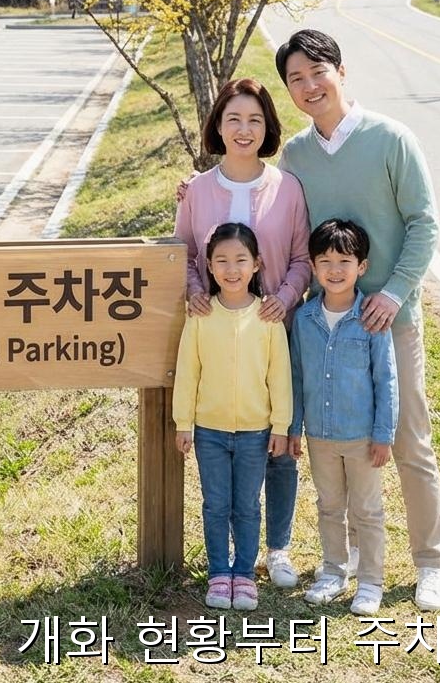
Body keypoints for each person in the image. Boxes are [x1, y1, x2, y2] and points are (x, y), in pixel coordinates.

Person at [276, 27, 440, 611]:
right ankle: (342, 562)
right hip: (326, 328)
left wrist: (395, 292)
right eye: (295, 79)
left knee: (405, 440)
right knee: (333, 445)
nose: (308, 85)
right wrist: (193, 189)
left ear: (341, 71)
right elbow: (278, 224)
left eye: (316, 71)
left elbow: (424, 223)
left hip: (387, 319)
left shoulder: (391, 138)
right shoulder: (296, 155)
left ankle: (430, 563)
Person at [173, 77, 310, 589]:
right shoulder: (198, 189)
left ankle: (276, 548)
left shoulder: (287, 188)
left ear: (268, 127)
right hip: (214, 333)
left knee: (279, 442)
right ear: (218, 126)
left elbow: (300, 257)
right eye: (234, 119)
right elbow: (183, 251)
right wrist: (194, 291)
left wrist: (287, 295)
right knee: (228, 446)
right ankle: (224, 562)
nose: (244, 129)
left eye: (255, 119)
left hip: (274, 330)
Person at [173, 222, 293, 612]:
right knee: (215, 504)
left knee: (247, 505)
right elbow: (188, 371)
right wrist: (183, 423)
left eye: (240, 260)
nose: (231, 269)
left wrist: (280, 426)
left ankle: (244, 574)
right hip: (209, 431)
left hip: (256, 433)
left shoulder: (268, 317)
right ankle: (218, 574)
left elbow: (279, 376)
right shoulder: (201, 315)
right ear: (208, 266)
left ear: (257, 264)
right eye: (221, 261)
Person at [290, 219, 399, 616]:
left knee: (367, 510)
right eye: (325, 261)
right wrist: (294, 428)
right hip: (319, 433)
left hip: (362, 437)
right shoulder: (303, 320)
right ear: (313, 266)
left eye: (344, 261)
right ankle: (334, 572)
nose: (334, 270)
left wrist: (383, 434)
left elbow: (385, 377)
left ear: (362, 267)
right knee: (329, 505)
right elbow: (297, 376)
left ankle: (370, 581)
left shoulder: (370, 317)